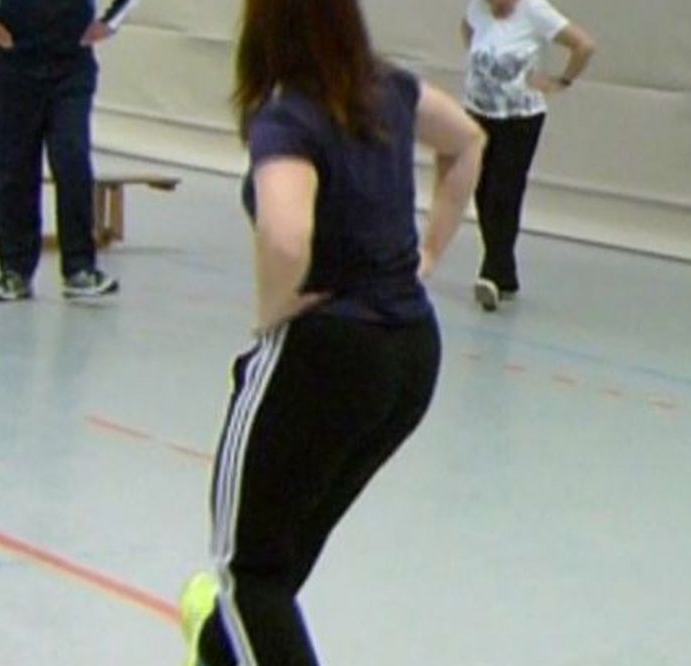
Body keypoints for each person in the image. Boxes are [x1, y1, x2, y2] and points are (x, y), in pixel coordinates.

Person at [173, 0, 486, 662]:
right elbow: (467, 141)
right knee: (281, 560)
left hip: (330, 355)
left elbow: (286, 236)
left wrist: (272, 315)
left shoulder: (288, 118)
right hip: (411, 354)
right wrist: (427, 254)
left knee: (247, 574)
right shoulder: (391, 90)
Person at [0, 0, 135, 300]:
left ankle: (79, 267)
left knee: (71, 158)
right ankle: (14, 270)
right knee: (13, 165)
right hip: (15, 57)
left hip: (71, 60)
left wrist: (111, 21)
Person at [459, 0, 597, 312]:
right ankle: (505, 273)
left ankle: (492, 273)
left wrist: (560, 81)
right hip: (479, 113)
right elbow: (466, 29)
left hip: (520, 118)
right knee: (481, 190)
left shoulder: (534, 11)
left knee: (504, 192)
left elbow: (584, 45)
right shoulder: (477, 9)